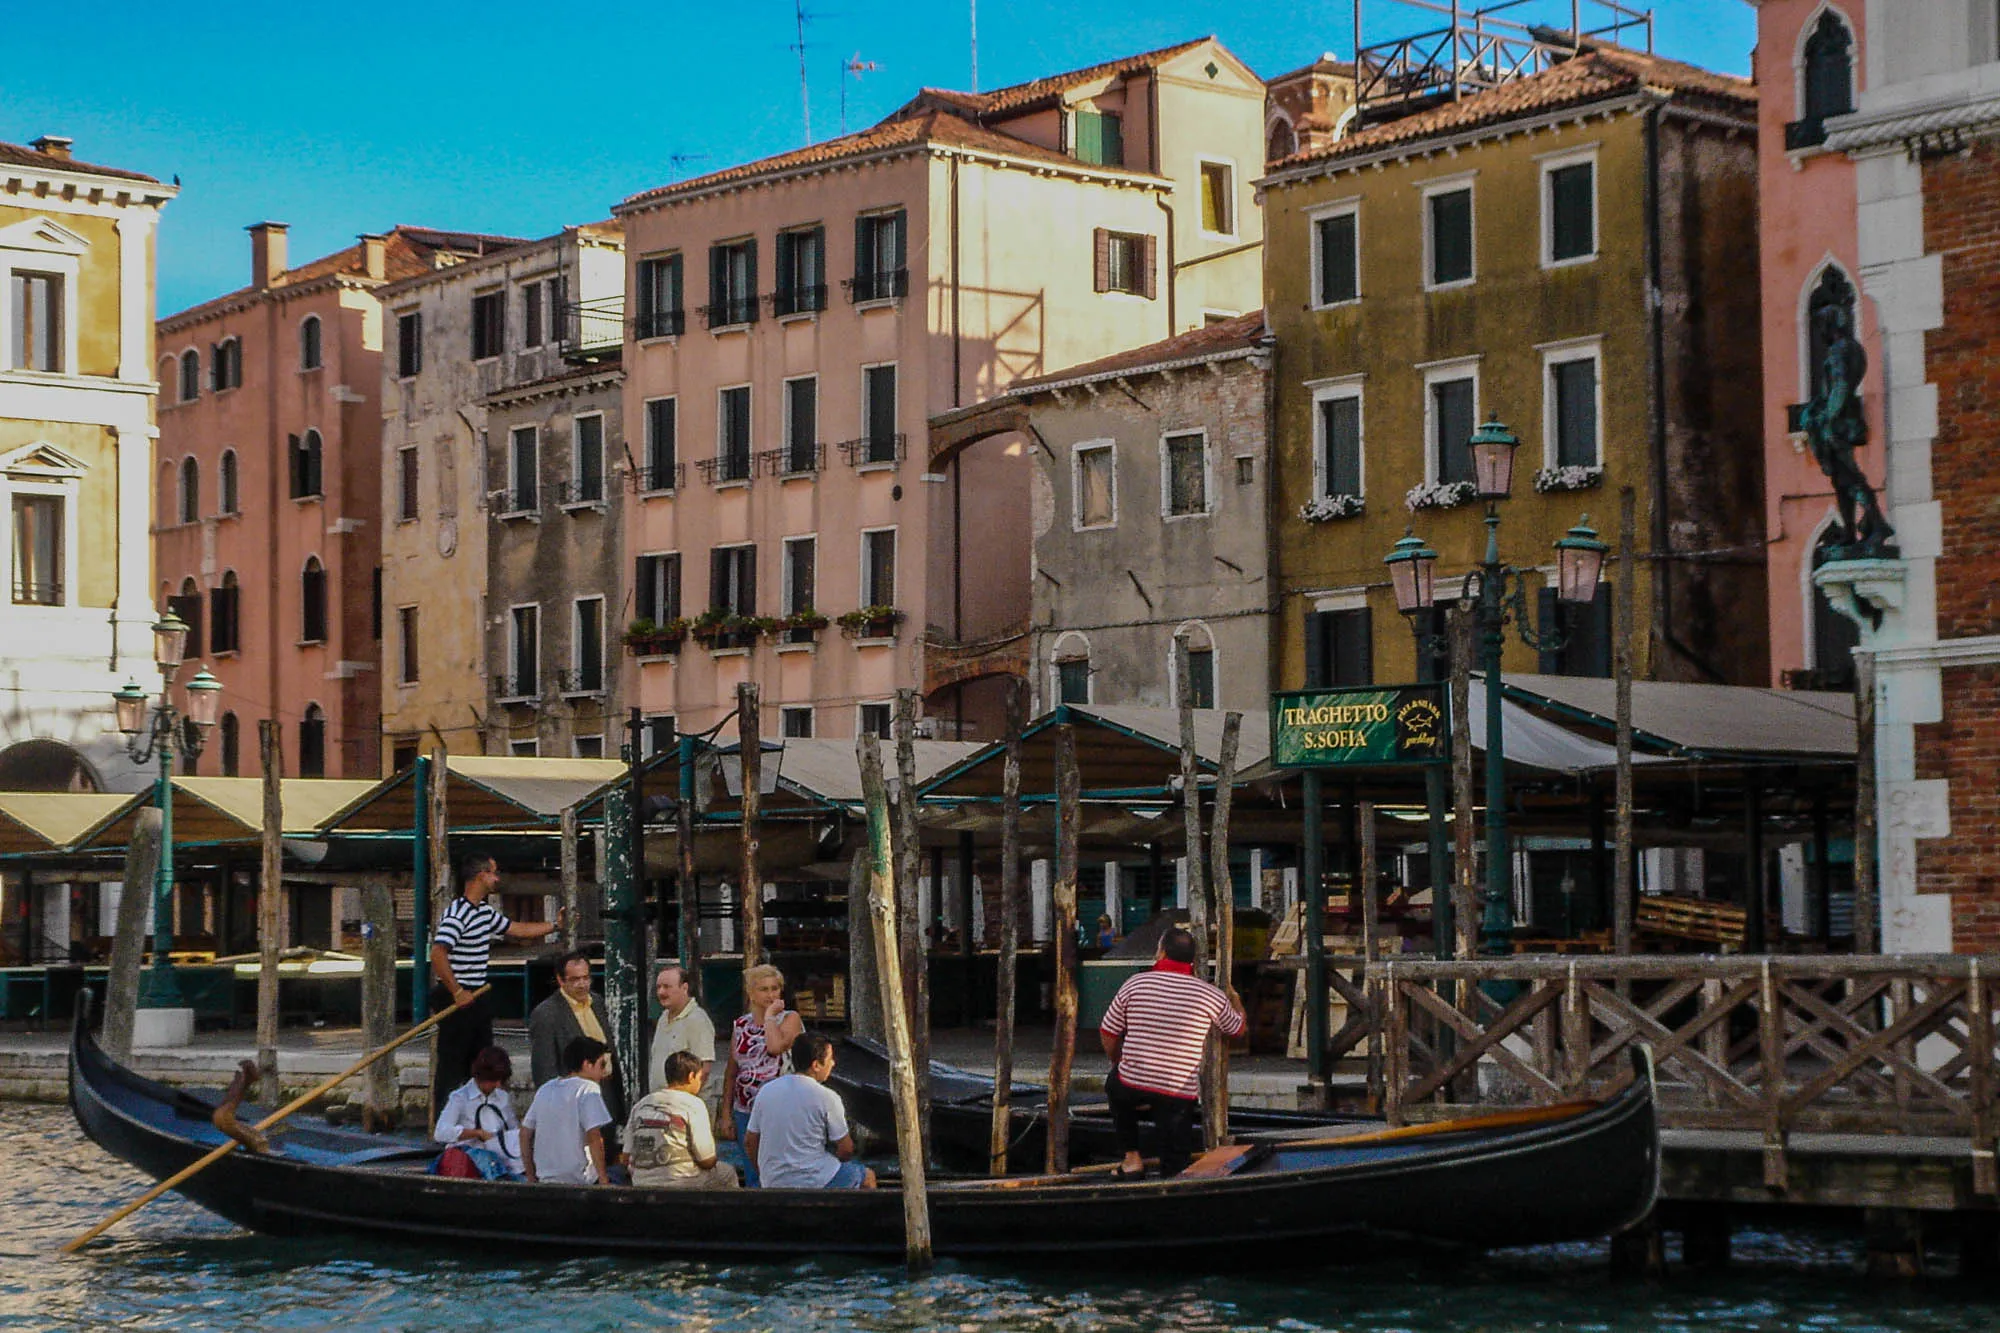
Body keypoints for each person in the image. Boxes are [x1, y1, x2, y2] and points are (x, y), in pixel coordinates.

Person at [1098, 925, 1245, 1178]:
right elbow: (1237, 1029)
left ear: (1162, 953)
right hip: (1177, 1090)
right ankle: (1172, 1173)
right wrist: (1237, 1001)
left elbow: (1108, 1032)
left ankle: (1132, 1159)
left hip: (1132, 1082)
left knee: (1115, 1084)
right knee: (1176, 1160)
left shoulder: (1136, 983)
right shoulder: (1211, 995)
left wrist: (1118, 1062)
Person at [430, 853, 560, 1113]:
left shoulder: (484, 913)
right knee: (453, 1064)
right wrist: (457, 991)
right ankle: (447, 1126)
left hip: (477, 995)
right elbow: (437, 953)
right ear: (481, 876)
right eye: (493, 873)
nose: (497, 878)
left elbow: (517, 930)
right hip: (456, 996)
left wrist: (555, 925)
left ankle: (481, 1117)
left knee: (482, 1061)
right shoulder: (457, 914)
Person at [743, 1031, 875, 1190]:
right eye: (830, 1059)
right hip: (817, 1180)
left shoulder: (766, 1091)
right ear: (816, 1065)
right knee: (867, 1176)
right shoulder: (827, 1097)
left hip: (772, 1181)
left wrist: (764, 1173)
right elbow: (846, 1149)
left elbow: (750, 1142)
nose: (833, 1064)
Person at [714, 963, 802, 1187]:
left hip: (779, 1109)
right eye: (764, 989)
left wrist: (771, 1016)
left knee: (778, 1167)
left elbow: (774, 1047)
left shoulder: (790, 1019)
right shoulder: (741, 1024)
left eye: (775, 989)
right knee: (753, 1169)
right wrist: (726, 1113)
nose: (771, 994)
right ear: (751, 993)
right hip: (745, 1109)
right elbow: (732, 1071)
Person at [528, 951, 627, 1133]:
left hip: (607, 1094)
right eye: (575, 980)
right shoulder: (546, 1014)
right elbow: (544, 1069)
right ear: (561, 980)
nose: (582, 985)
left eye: (586, 978)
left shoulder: (597, 1002)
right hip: (573, 1102)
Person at [626, 1050, 738, 1190]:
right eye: (700, 1078)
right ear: (691, 1076)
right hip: (682, 1182)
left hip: (641, 1182)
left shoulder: (641, 1104)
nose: (701, 1083)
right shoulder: (694, 1104)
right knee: (727, 1173)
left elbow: (626, 1155)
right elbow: (706, 1160)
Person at [520, 1035, 614, 1186]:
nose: (604, 1072)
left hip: (545, 1178)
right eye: (601, 1065)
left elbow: (524, 1133)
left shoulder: (545, 1089)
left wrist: (531, 1176)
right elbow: (594, 1136)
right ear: (587, 1064)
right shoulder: (588, 1089)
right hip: (580, 1179)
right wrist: (604, 1180)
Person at [432, 1045, 524, 1179]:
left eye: (501, 1080)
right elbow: (440, 1133)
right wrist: (476, 1133)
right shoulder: (459, 1098)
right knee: (486, 1159)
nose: (497, 1085)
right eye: (493, 1080)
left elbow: (513, 1129)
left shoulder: (503, 1097)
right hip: (471, 1155)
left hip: (501, 1154)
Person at [648, 963, 718, 1120]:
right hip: (660, 1108)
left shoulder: (697, 1020)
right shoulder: (663, 1018)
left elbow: (703, 1070)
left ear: (684, 987)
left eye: (667, 987)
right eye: (658, 987)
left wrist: (680, 1103)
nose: (661, 992)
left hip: (686, 1112)